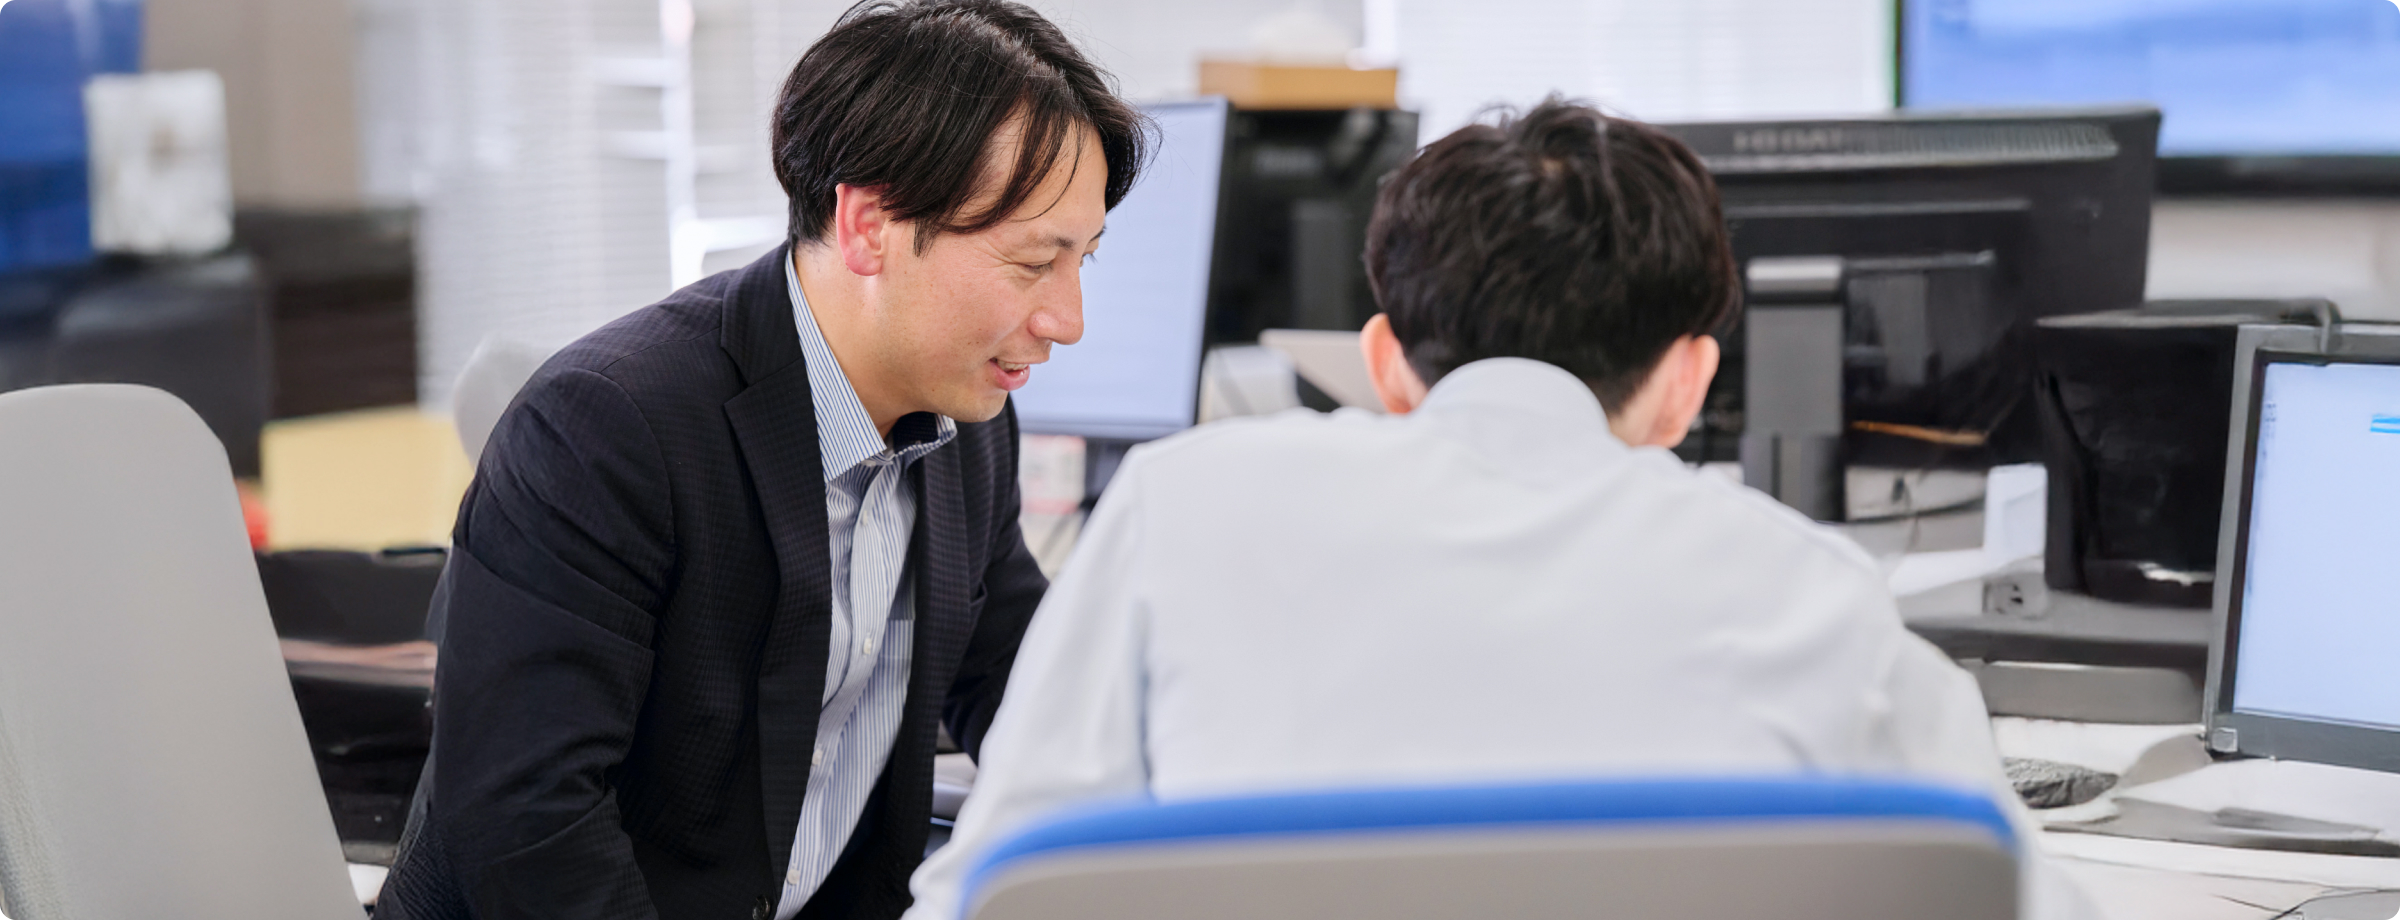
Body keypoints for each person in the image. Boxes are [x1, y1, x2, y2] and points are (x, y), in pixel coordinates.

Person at [903, 99, 2095, 920]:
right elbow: (2010, 892)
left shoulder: (1183, 509)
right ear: (1688, 383)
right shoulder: (1805, 585)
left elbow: (993, 890)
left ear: (1384, 361)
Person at [376, 3, 1148, 918]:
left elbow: (1027, 687)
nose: (1068, 320)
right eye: (1032, 263)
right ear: (868, 226)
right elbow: (527, 822)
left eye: (1083, 261)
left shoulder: (965, 424)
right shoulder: (606, 428)